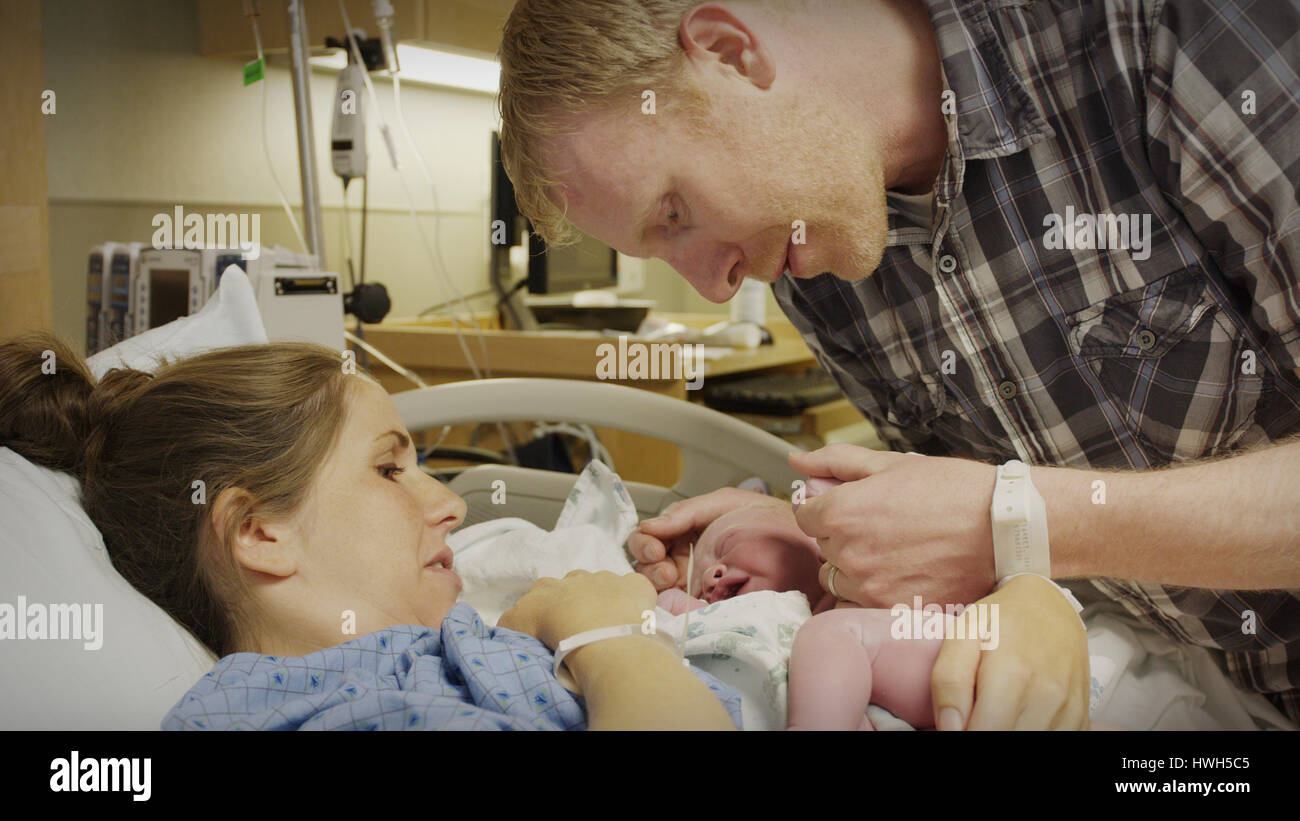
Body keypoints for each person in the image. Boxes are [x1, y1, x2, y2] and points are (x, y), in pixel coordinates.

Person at [495, 0, 1300, 725]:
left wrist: (1018, 520)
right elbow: (977, 549)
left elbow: (1010, 519)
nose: (713, 283)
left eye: (675, 212)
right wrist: (811, 545)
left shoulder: (1158, 38)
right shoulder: (821, 266)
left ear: (731, 51)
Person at [0, 333, 738, 731]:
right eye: (389, 469)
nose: (451, 506)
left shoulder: (427, 653)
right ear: (260, 532)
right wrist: (605, 638)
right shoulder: (315, 711)